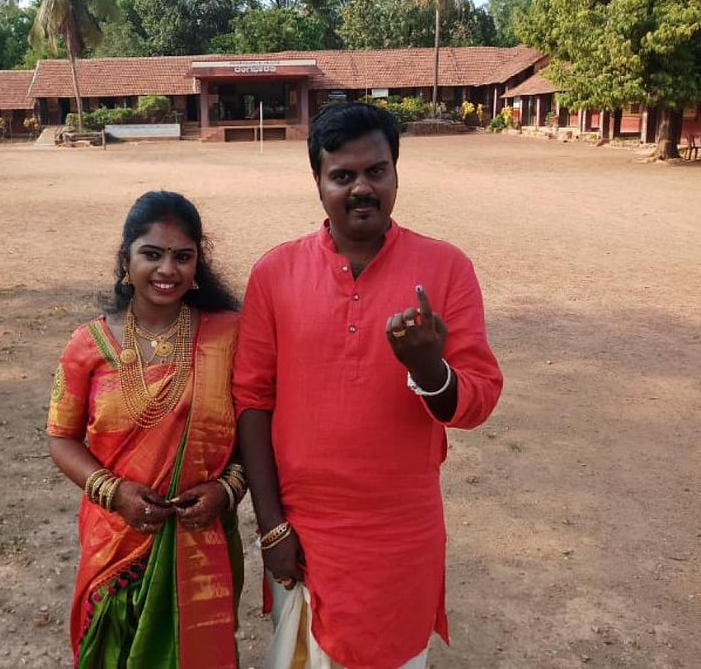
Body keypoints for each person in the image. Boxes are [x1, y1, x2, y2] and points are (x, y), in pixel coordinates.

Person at [233, 102, 503, 668]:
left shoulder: (446, 267)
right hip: (305, 530)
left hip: (401, 535)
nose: (361, 188)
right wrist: (272, 526)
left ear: (397, 173)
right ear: (318, 182)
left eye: (376, 171)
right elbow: (252, 403)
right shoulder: (274, 273)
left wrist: (430, 369)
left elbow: (476, 399)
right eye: (343, 175)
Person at [46, 191, 247, 669]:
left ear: (198, 264)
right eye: (152, 254)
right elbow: (61, 437)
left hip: (203, 542)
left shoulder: (230, 336)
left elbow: (258, 430)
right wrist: (115, 494)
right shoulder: (87, 344)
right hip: (115, 539)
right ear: (126, 259)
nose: (167, 270)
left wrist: (227, 489)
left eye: (183, 256)